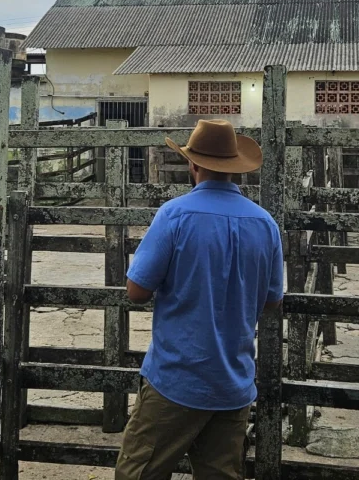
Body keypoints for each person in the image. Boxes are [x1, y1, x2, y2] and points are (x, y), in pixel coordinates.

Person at [115, 119, 284, 480]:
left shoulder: (175, 215)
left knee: (137, 472)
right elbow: (271, 301)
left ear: (193, 165)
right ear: (235, 168)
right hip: (233, 383)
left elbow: (137, 291)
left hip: (177, 379)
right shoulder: (265, 223)